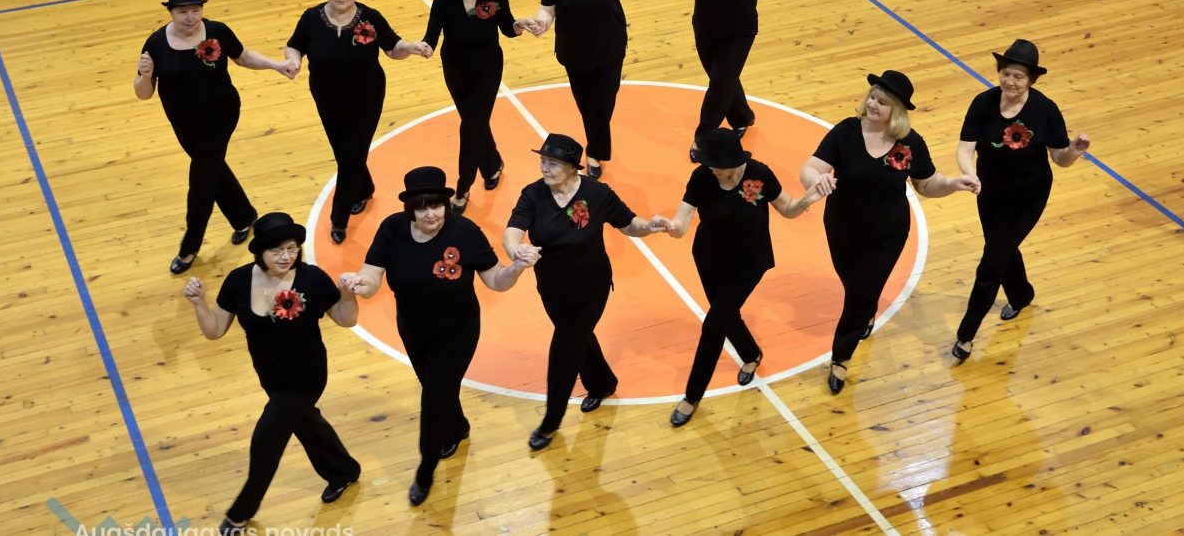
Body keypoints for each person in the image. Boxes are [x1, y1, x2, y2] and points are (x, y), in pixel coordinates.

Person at [339, 166, 539, 506]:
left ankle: (425, 471)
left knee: (432, 400)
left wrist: (517, 267)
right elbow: (371, 280)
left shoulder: (465, 231)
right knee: (439, 391)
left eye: (437, 206)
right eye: (422, 208)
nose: (431, 214)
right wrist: (357, 284)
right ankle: (459, 427)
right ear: (410, 209)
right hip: (413, 329)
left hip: (457, 332)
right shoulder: (392, 229)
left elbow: (496, 281)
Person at [799, 71, 980, 393]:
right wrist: (816, 179)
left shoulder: (911, 143)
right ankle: (866, 310)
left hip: (887, 234)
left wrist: (953, 183)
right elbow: (810, 167)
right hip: (841, 226)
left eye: (882, 102)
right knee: (853, 283)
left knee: (859, 294)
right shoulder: (846, 132)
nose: (873, 104)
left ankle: (840, 358)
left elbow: (927, 184)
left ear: (896, 110)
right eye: (872, 97)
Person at [182, 212, 362, 536]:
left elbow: (345, 319)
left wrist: (348, 296)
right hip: (270, 378)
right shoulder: (238, 281)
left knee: (267, 442)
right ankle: (344, 471)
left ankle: (240, 514)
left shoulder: (312, 279)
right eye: (277, 250)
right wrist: (199, 304)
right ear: (260, 252)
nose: (286, 256)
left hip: (306, 377)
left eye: (292, 248)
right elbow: (214, 330)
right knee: (306, 423)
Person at [502, 133, 671, 449]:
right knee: (580, 338)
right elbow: (512, 231)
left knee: (564, 349)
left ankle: (551, 422)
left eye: (552, 163)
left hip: (591, 287)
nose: (544, 168)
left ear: (572, 167)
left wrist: (651, 226)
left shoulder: (597, 193)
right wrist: (516, 250)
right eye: (543, 161)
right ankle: (602, 383)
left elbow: (629, 224)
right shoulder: (533, 194)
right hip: (552, 288)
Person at [662, 128, 830, 426]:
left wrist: (807, 199)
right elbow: (683, 221)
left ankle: (691, 396)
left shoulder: (759, 173)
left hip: (749, 262)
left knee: (714, 324)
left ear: (732, 160)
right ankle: (751, 354)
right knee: (727, 315)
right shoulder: (702, 177)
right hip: (708, 258)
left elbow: (788, 209)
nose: (709, 167)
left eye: (714, 162)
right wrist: (672, 228)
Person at [135, 0, 296, 274]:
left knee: (201, 184)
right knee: (212, 169)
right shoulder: (156, 44)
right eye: (182, 11)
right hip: (184, 124)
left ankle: (189, 248)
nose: (190, 17)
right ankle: (244, 216)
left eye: (195, 10)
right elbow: (144, 93)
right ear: (171, 12)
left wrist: (276, 64)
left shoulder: (218, 32)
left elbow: (242, 56)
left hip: (221, 116)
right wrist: (145, 76)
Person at [523, 0, 695, 178]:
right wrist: (542, 22)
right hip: (574, 47)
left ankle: (594, 151)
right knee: (586, 105)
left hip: (610, 44)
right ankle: (595, 148)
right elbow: (548, 6)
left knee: (602, 103)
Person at [951, 40, 1090, 362]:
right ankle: (1021, 294)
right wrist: (970, 175)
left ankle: (966, 335)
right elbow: (965, 148)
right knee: (1001, 248)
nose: (1010, 82)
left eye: (1019, 77)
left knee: (991, 262)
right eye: (1006, 74)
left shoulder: (1045, 110)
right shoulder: (983, 103)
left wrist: (1074, 151)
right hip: (989, 190)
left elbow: (1059, 159)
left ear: (1031, 80)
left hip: (1028, 194)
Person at [284, 0, 431, 245]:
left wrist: (411, 47)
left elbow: (393, 47)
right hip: (326, 97)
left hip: (366, 98)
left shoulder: (370, 17)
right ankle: (364, 188)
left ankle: (339, 219)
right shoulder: (311, 18)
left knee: (350, 159)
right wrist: (293, 61)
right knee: (344, 153)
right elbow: (294, 45)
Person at [422, 0, 539, 214]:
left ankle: (462, 188)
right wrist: (424, 47)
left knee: (470, 128)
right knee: (474, 123)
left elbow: (508, 28)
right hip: (455, 68)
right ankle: (492, 164)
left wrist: (520, 25)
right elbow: (432, 34)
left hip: (488, 67)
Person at [684, 0, 793, 161]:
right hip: (705, 26)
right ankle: (742, 116)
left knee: (720, 84)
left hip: (740, 31)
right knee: (722, 78)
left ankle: (703, 138)